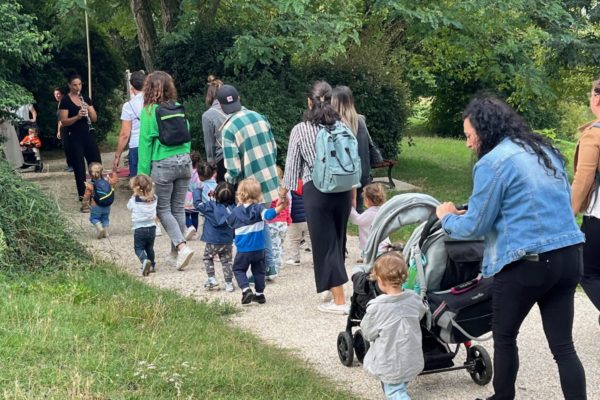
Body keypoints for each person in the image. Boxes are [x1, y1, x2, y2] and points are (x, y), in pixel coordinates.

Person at [436, 96, 586, 400]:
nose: (467, 144)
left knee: (504, 338)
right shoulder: (544, 150)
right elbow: (528, 204)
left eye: (469, 136)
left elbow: (474, 227)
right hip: (569, 255)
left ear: (485, 130)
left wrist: (447, 217)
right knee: (563, 347)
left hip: (526, 263)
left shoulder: (492, 162)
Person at [280, 80, 351, 314]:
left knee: (324, 244)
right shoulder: (341, 125)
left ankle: (340, 301)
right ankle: (332, 289)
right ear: (331, 101)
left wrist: (283, 195)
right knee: (337, 240)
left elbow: (291, 168)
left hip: (316, 190)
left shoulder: (300, 130)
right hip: (342, 189)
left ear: (309, 101)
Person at [218, 83, 279, 281]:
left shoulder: (228, 129)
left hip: (249, 187)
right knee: (263, 224)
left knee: (251, 228)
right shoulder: (259, 117)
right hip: (269, 181)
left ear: (220, 106)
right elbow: (274, 147)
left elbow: (233, 168)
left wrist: (227, 184)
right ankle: (269, 265)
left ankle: (263, 268)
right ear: (239, 99)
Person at [138, 71, 194, 271]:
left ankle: (181, 246)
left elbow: (144, 145)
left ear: (149, 89)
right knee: (177, 207)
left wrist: (142, 177)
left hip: (163, 164)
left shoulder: (149, 112)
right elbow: (186, 137)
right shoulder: (178, 109)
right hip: (184, 162)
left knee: (162, 209)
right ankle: (174, 254)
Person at [360, 251, 426, 400]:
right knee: (399, 381)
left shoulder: (377, 307)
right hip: (411, 355)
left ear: (381, 281)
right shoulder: (414, 299)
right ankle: (400, 385)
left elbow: (368, 332)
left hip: (391, 360)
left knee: (396, 393)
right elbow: (420, 314)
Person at [226, 178, 287, 305]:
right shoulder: (259, 209)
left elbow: (229, 223)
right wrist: (281, 207)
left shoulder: (236, 212)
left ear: (240, 195)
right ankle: (259, 294)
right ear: (259, 195)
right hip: (259, 249)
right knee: (259, 271)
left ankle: (246, 289)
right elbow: (269, 215)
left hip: (243, 250)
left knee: (238, 269)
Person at [572, 77, 600, 318]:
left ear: (597, 99)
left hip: (598, 218)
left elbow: (584, 178)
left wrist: (570, 211)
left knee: (588, 272)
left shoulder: (594, 135)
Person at [58, 72, 102, 208]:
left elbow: (94, 119)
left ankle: (99, 194)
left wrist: (89, 109)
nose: (78, 87)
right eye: (74, 85)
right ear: (69, 86)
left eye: (79, 84)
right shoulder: (65, 100)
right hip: (73, 136)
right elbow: (64, 121)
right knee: (79, 168)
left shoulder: (86, 98)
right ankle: (84, 198)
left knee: (96, 163)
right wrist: (77, 116)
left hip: (88, 134)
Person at [332, 85, 377, 212]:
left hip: (342, 177)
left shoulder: (334, 124)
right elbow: (369, 145)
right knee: (360, 211)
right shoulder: (360, 120)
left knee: (340, 215)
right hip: (362, 175)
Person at [194, 181, 236, 292]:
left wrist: (198, 190)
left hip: (212, 240)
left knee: (208, 257)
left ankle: (212, 278)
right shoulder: (233, 208)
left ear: (216, 195)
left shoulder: (210, 206)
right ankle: (228, 284)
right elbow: (224, 207)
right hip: (227, 241)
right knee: (226, 261)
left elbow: (198, 204)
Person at [113, 70, 146, 177]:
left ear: (131, 87)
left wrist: (117, 155)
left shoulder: (128, 106)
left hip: (136, 145)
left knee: (137, 183)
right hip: (152, 144)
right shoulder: (153, 101)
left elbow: (125, 134)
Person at [349, 182, 391, 260]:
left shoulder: (370, 213)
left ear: (367, 200)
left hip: (373, 248)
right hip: (384, 246)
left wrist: (350, 208)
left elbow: (357, 220)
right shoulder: (383, 211)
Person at [127, 175, 158, 276]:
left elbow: (129, 207)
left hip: (139, 228)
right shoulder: (154, 199)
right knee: (149, 247)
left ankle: (144, 261)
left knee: (138, 248)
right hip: (152, 227)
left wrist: (134, 195)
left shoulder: (134, 201)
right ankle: (152, 265)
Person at [81, 162, 118, 238]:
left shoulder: (90, 184)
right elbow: (114, 182)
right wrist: (114, 173)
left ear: (90, 174)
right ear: (101, 172)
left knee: (94, 218)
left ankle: (100, 229)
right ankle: (106, 233)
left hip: (95, 205)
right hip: (107, 205)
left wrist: (84, 203)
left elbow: (86, 196)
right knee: (105, 218)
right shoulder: (107, 181)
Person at [201, 75, 227, 182]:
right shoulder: (234, 108)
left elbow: (209, 143)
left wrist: (211, 163)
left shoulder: (208, 115)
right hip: (240, 153)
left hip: (222, 158)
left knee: (225, 192)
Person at [267, 166, 291, 277]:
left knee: (274, 246)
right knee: (280, 244)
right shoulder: (283, 191)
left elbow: (269, 208)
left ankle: (275, 267)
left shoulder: (270, 192)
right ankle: (280, 262)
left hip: (273, 222)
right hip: (283, 223)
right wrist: (288, 219)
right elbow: (287, 206)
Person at [285, 179, 312, 266]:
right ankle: (316, 259)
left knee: (295, 240)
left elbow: (288, 204)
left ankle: (295, 258)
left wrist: (287, 217)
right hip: (307, 218)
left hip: (294, 220)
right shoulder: (306, 187)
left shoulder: (289, 189)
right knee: (310, 239)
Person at [184, 151, 202, 240]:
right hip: (196, 195)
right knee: (195, 215)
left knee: (185, 214)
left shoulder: (187, 171)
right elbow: (200, 184)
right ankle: (194, 233)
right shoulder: (199, 172)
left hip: (186, 195)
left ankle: (190, 226)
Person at [54, 87, 72, 172]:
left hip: (67, 128)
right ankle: (69, 165)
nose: (56, 96)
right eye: (55, 94)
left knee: (69, 147)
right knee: (65, 147)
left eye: (58, 94)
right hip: (62, 128)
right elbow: (59, 120)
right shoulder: (59, 104)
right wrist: (58, 130)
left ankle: (72, 165)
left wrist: (59, 129)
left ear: (62, 94)